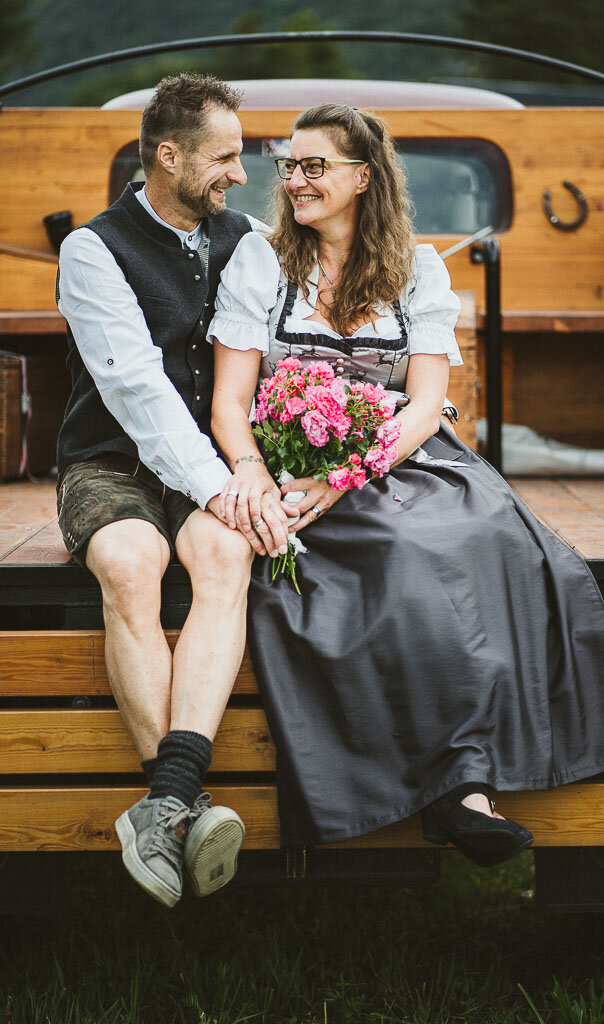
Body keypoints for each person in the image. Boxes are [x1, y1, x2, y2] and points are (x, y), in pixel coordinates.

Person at [209, 103, 604, 866]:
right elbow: (228, 403)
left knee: (478, 541)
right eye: (290, 166)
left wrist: (342, 477)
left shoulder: (418, 265)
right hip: (287, 467)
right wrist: (260, 474)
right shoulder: (261, 260)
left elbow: (420, 409)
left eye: (316, 166)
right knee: (395, 562)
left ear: (362, 178)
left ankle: (464, 789)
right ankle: (457, 789)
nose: (297, 181)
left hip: (398, 460)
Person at [55, 73, 290, 907]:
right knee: (129, 562)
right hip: (110, 460)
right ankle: (187, 799)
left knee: (224, 559)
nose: (239, 172)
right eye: (224, 157)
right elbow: (136, 390)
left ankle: (161, 806)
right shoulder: (92, 249)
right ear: (167, 155)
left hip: (212, 466)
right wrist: (224, 486)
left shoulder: (250, 239)